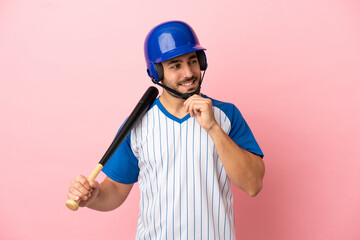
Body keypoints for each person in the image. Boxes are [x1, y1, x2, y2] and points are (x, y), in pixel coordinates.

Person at [67, 20, 265, 239]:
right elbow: (115, 191)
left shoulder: (227, 115)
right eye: (175, 65)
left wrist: (213, 128)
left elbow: (253, 184)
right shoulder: (137, 124)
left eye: (193, 61)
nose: (189, 73)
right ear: (156, 72)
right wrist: (93, 197)